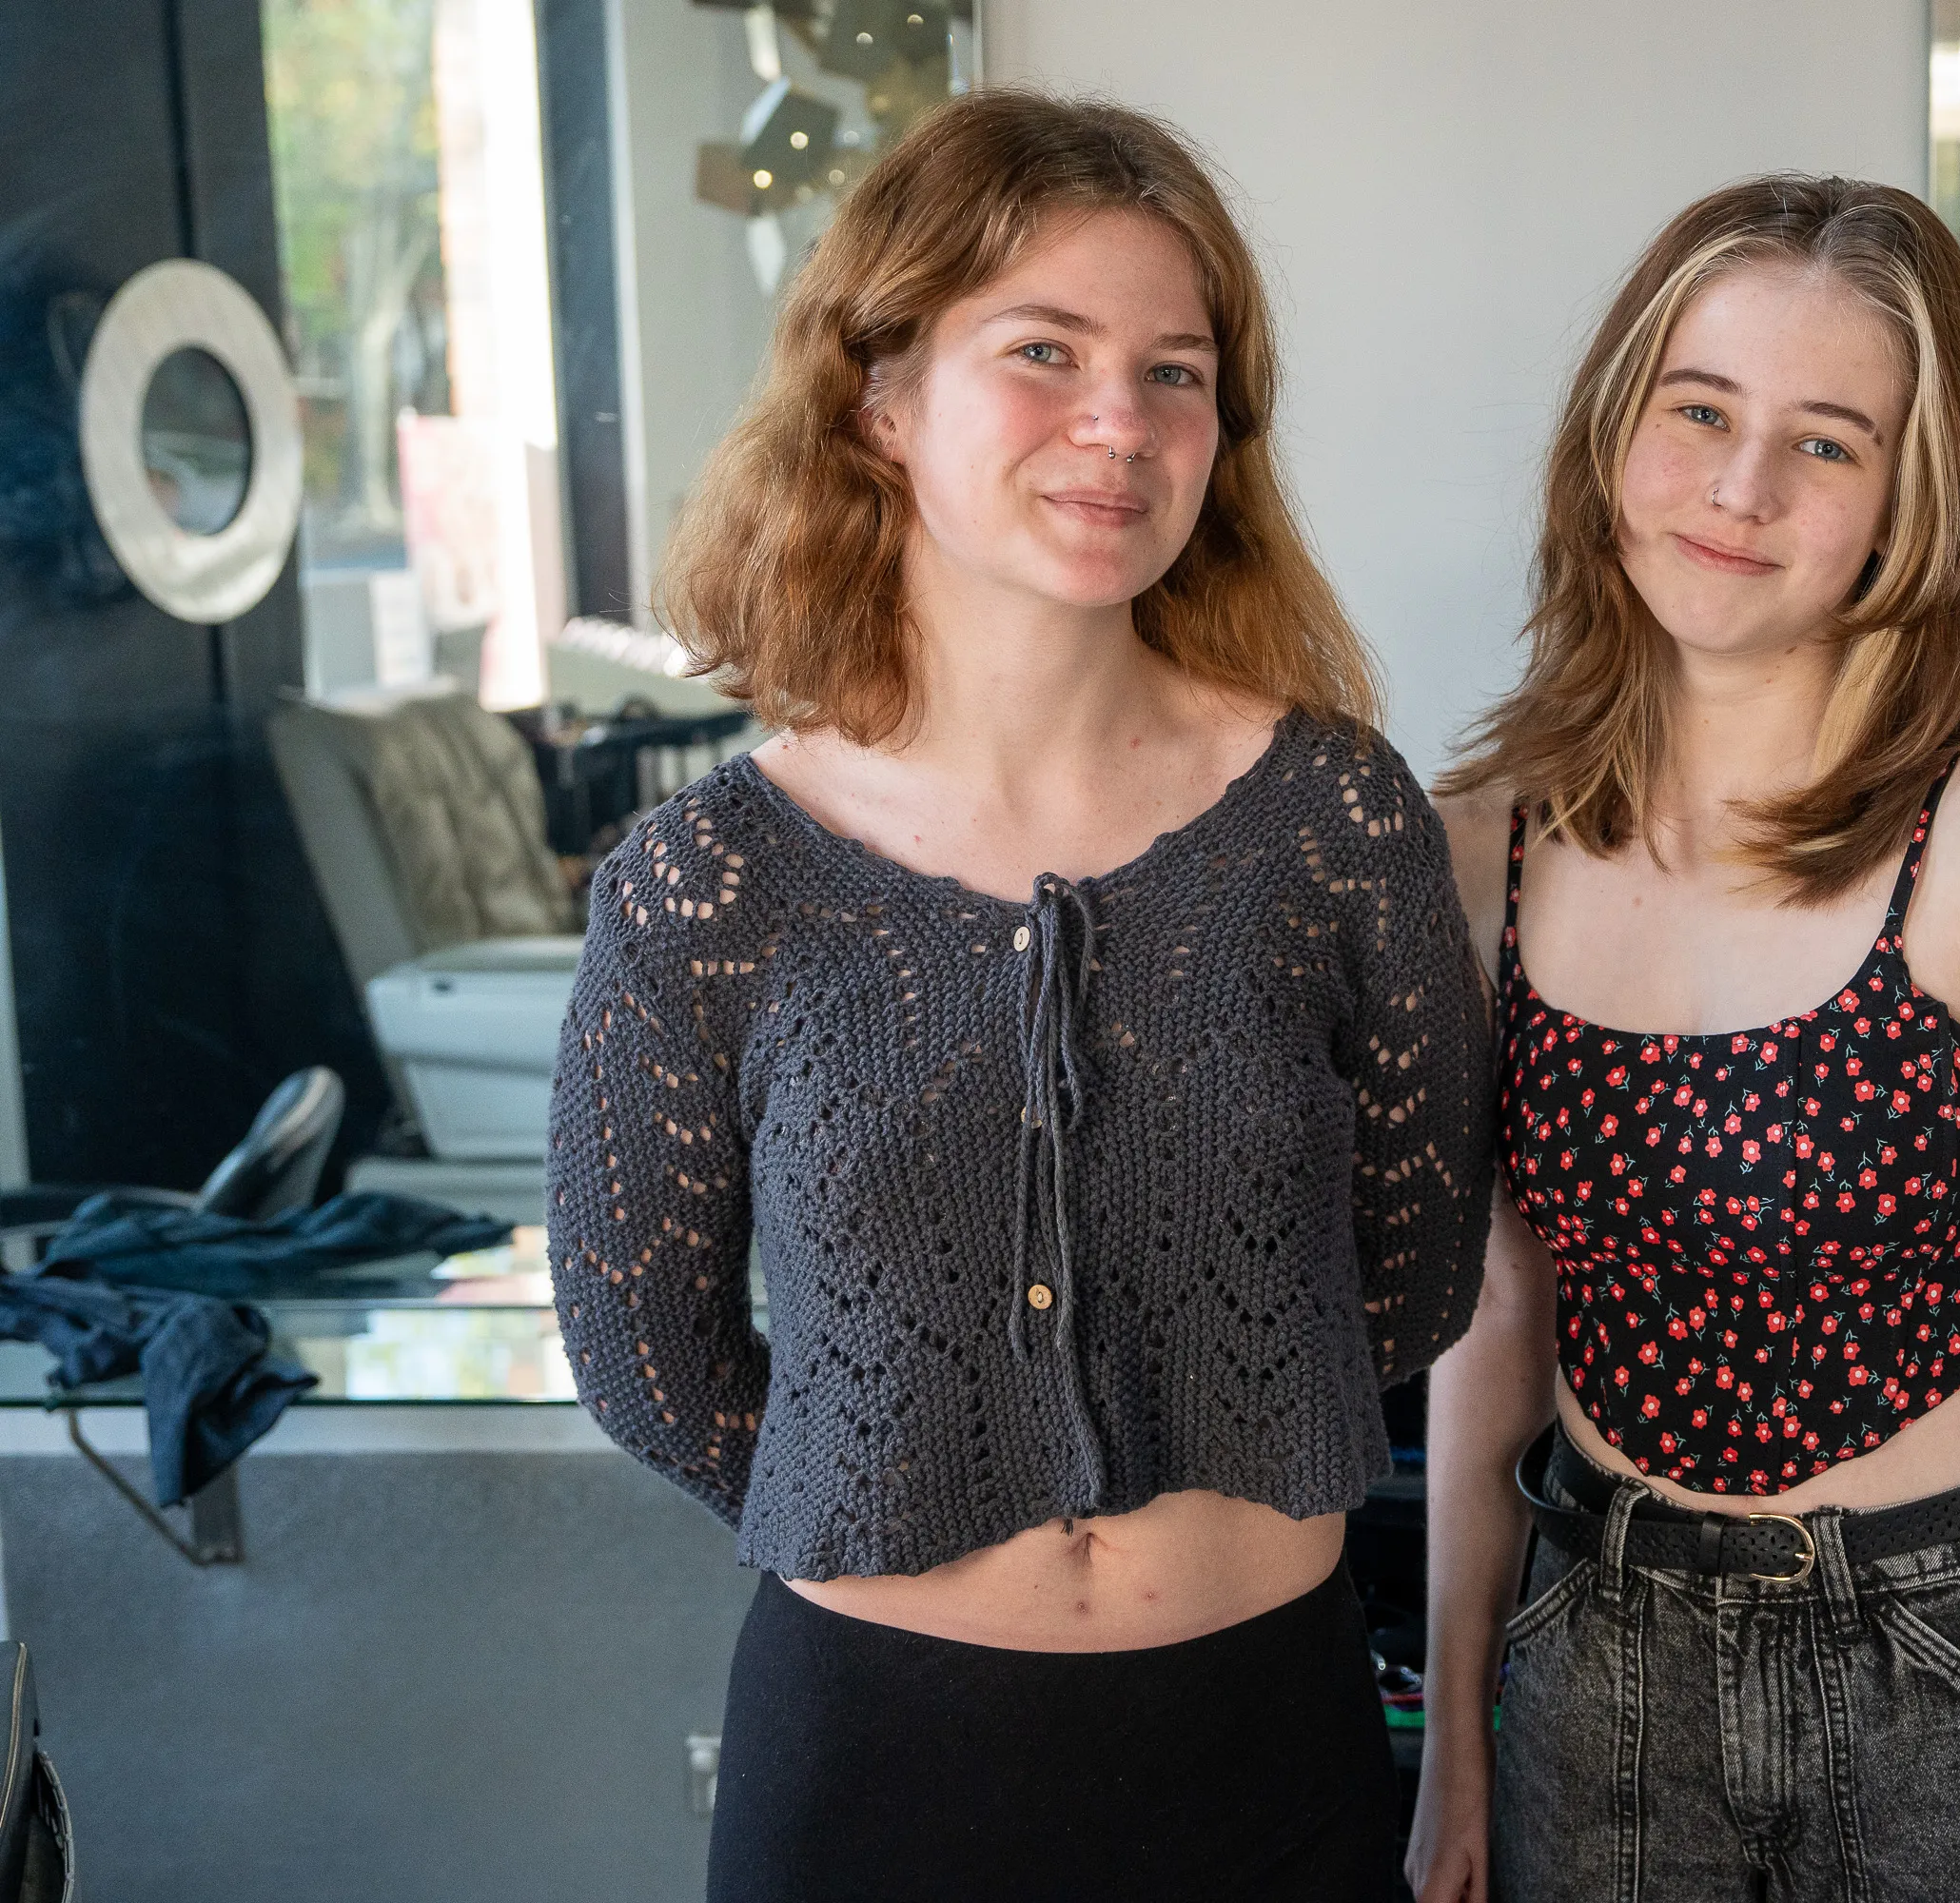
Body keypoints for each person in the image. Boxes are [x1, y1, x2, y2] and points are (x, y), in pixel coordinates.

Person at [545, 90, 1495, 1903]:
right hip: (877, 1766)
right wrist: (899, 1477)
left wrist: (1216, 1414)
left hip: (1267, 1748)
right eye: (1042, 351)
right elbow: (645, 1352)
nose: (1117, 425)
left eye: (1175, 372)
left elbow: (1412, 1268)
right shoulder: (710, 881)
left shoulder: (1333, 819)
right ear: (878, 394)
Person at [1409, 175, 1960, 1903]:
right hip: (1600, 1647)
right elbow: (1495, 1310)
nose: (1741, 487)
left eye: (1827, 442)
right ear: (1615, 431)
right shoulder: (1485, 838)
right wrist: (1458, 1748)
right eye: (1698, 410)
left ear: (1908, 501)